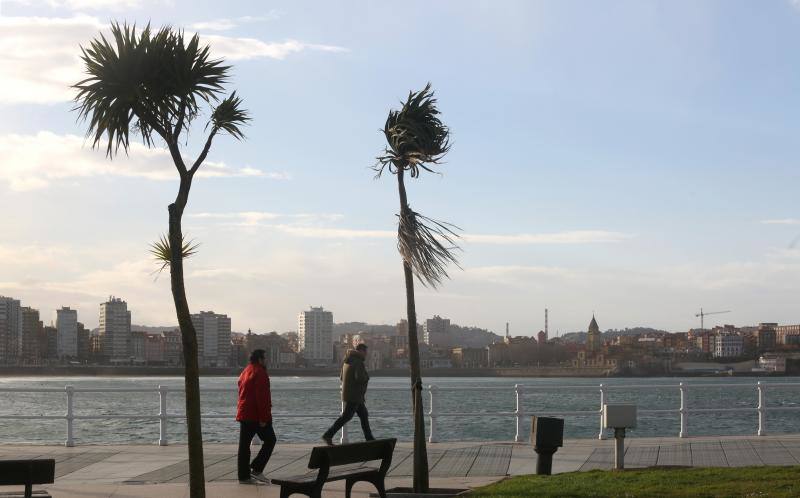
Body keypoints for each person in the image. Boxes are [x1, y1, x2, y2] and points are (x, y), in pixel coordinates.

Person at [322, 343, 375, 445]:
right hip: (355, 395)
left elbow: (341, 377)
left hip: (350, 394)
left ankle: (369, 438)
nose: (366, 354)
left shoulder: (347, 360)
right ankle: (328, 435)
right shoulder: (358, 362)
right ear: (361, 351)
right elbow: (360, 378)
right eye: (365, 352)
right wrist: (367, 377)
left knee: (363, 415)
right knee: (346, 417)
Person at [236, 349, 276, 484]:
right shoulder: (260, 373)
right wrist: (264, 418)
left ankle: (243, 477)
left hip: (244, 412)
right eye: (265, 358)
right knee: (270, 440)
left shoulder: (245, 371)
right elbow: (262, 397)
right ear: (260, 359)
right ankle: (257, 469)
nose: (267, 361)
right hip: (256, 415)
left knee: (244, 446)